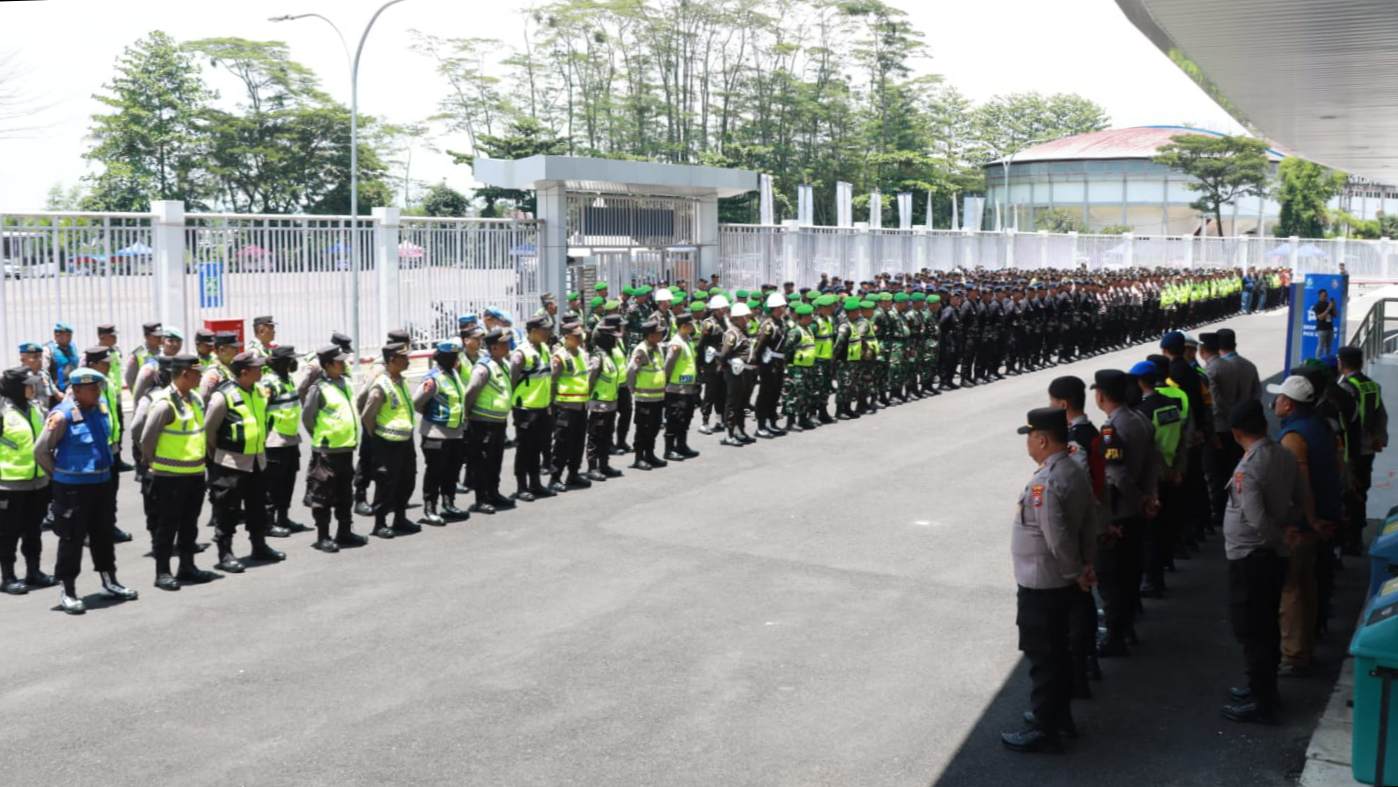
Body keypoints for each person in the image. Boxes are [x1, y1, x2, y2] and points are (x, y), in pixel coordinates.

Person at [1001, 407, 1096, 754]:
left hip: (1044, 583)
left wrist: (1075, 572)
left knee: (1044, 656)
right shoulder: (1073, 469)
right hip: (1062, 579)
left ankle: (1046, 728)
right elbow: (1089, 523)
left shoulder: (1045, 482)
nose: (1028, 442)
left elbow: (1056, 537)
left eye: (1030, 435)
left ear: (1041, 438)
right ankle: (1059, 716)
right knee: (1059, 653)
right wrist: (1086, 566)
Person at [34, 367, 139, 613]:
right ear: (77, 390)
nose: (97, 392)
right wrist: (59, 476)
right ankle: (68, 591)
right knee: (71, 539)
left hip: (101, 485)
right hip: (72, 490)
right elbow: (41, 451)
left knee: (103, 535)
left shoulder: (100, 408)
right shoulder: (62, 416)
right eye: (92, 389)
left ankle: (109, 581)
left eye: (98, 387)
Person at [1221, 399, 1300, 723]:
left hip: (1253, 557)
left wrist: (1276, 539)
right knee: (1264, 627)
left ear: (1236, 431)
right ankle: (1261, 689)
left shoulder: (1249, 468)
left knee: (1253, 630)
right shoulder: (1283, 454)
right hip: (1268, 556)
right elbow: (1299, 495)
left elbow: (1255, 517)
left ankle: (1263, 701)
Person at [1269, 374, 1342, 678]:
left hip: (1303, 525)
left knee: (1292, 590)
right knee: (1308, 586)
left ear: (1288, 404)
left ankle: (1294, 654)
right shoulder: (1321, 426)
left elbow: (1301, 485)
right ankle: (1305, 647)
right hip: (1324, 517)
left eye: (1279, 398)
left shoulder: (1293, 437)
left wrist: (1307, 519)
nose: (1274, 402)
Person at [1093, 369, 1159, 657]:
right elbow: (1154, 462)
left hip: (1121, 510)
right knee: (1131, 573)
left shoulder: (1112, 429)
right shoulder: (1140, 418)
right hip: (1139, 509)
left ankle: (1116, 636)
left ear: (1101, 396)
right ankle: (1127, 626)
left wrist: (1139, 498)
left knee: (1112, 577)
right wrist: (1150, 496)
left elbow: (1116, 475)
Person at [1048, 375, 1105, 695]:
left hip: (1079, 527)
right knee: (1081, 600)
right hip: (1090, 522)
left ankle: (1081, 664)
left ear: (1063, 404)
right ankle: (1087, 659)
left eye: (1052, 402)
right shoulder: (1089, 431)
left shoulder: (1075, 440)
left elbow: (1074, 487)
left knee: (1075, 599)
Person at [203, 351, 287, 571]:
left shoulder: (259, 391)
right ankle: (225, 553)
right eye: (257, 368)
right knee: (227, 510)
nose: (261, 371)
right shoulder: (223, 396)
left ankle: (259, 546)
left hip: (257, 460)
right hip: (231, 462)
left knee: (258, 507)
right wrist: (219, 456)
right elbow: (209, 430)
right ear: (244, 372)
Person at [141, 355, 219, 590]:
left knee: (189, 524)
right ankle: (162, 572)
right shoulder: (165, 403)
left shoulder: (194, 398)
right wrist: (153, 463)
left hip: (194, 473)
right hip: (169, 477)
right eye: (197, 373)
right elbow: (146, 439)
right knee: (167, 526)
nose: (201, 377)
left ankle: (187, 566)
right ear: (185, 374)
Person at [301, 344, 367, 553]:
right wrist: (324, 438)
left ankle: (344, 532)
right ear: (328, 365)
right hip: (327, 452)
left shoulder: (345, 382)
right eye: (339, 361)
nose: (343, 364)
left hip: (346, 449)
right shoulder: (318, 388)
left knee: (345, 493)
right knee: (323, 495)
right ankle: (323, 536)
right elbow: (308, 418)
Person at [0, 366, 56, 595]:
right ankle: (8, 576)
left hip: (37, 483)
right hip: (10, 485)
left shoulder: (36, 409)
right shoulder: (3, 412)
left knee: (33, 531)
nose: (33, 388)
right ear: (16, 388)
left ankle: (34, 571)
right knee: (8, 534)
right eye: (28, 385)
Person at [360, 342, 418, 538]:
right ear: (392, 360)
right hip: (387, 442)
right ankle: (380, 522)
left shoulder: (400, 380)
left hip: (405, 440)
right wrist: (376, 436)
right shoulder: (381, 384)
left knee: (406, 480)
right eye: (404, 358)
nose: (408, 361)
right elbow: (367, 416)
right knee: (386, 483)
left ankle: (400, 518)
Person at [1338, 345, 1389, 554]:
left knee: (1348, 494)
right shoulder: (1372, 386)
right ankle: (1356, 537)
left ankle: (1349, 540)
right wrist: (1378, 438)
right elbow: (1381, 414)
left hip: (1351, 451)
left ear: (1341, 363)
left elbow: (1343, 422)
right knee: (1361, 492)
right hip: (1367, 449)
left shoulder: (1345, 389)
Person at [415, 341, 471, 525]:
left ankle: (448, 504)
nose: (457, 360)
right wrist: (431, 416)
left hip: (455, 433)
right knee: (435, 473)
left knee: (452, 471)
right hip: (435, 434)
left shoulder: (454, 374)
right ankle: (430, 508)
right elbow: (417, 402)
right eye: (454, 357)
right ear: (446, 359)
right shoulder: (432, 379)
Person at [461, 328, 515, 514]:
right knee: (482, 462)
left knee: (495, 460)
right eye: (503, 344)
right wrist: (466, 416)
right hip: (483, 423)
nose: (507, 346)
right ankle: (481, 498)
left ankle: (494, 492)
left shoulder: (503, 363)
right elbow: (471, 392)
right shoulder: (484, 367)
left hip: (498, 421)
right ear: (493, 348)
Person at [259, 346, 307, 535]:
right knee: (273, 484)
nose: (293, 363)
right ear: (280, 362)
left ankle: (283, 517)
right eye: (290, 360)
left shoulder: (287, 380)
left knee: (288, 481)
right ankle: (269, 523)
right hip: (275, 441)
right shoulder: (269, 384)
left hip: (290, 439)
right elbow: (261, 411)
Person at [510, 316, 556, 501]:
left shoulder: (544, 348)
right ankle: (522, 486)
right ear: (533, 331)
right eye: (544, 330)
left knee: (539, 447)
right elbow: (512, 381)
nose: (548, 333)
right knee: (524, 449)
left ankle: (535, 483)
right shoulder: (521, 353)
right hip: (526, 409)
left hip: (543, 407)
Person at [548, 319, 591, 491]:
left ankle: (573, 473)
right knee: (562, 444)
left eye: (581, 336)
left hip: (581, 405)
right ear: (567, 337)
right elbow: (552, 382)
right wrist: (551, 405)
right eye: (577, 336)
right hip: (565, 407)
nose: (580, 339)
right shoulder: (560, 356)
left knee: (578, 442)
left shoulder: (581, 352)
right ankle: (555, 476)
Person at [585, 317, 625, 482]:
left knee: (607, 435)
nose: (616, 340)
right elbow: (590, 381)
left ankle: (604, 464)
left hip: (610, 403)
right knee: (595, 436)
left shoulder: (610, 355)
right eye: (613, 337)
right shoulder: (598, 357)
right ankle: (592, 467)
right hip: (598, 405)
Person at [626, 317, 668, 469]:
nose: (661, 335)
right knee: (643, 429)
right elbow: (631, 371)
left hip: (657, 397)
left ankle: (650, 454)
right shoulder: (641, 350)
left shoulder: (657, 347)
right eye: (658, 333)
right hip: (644, 398)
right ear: (650, 335)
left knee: (655, 427)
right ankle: (639, 458)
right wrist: (633, 389)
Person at [662, 311, 702, 460]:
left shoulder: (688, 340)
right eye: (691, 324)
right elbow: (668, 366)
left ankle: (682, 445)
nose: (693, 327)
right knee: (674, 418)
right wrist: (665, 383)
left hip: (688, 387)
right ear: (684, 326)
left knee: (686, 417)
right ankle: (669, 449)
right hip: (677, 388)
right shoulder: (676, 343)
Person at [752, 292, 788, 437]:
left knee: (775, 393)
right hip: (768, 363)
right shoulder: (768, 325)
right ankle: (761, 425)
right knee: (765, 394)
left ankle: (771, 422)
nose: (784, 308)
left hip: (778, 362)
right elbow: (760, 347)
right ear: (775, 308)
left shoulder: (781, 322)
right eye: (782, 306)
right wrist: (758, 363)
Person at [199, 331, 240, 401]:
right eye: (234, 348)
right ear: (222, 350)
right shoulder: (213, 373)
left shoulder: (233, 368)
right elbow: (204, 396)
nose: (237, 351)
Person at [127, 321, 163, 391]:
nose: (159, 338)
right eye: (156, 336)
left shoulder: (164, 352)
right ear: (146, 336)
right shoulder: (139, 352)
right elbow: (130, 379)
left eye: (160, 335)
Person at [44, 321, 79, 392]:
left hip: (74, 389)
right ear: (56, 335)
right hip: (58, 392)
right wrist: (55, 393)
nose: (69, 338)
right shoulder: (48, 350)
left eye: (70, 335)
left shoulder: (73, 347)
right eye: (66, 335)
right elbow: (44, 373)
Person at [1312, 290, 1336, 358]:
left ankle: (1327, 360)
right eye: (1324, 295)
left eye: (1326, 295)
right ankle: (1317, 360)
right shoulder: (1317, 305)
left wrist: (1333, 306)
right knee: (1321, 345)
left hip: (1330, 327)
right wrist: (1328, 308)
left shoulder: (1329, 304)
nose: (1326, 297)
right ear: (1320, 296)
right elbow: (1320, 317)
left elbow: (1335, 314)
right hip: (1322, 329)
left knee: (1328, 346)